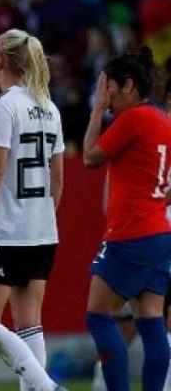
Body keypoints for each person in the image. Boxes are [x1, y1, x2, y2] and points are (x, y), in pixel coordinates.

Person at [0, 29, 67, 391]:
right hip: (42, 230)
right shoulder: (49, 107)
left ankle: (48, 388)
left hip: (6, 230)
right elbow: (58, 177)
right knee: (29, 322)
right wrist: (43, 216)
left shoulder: (4, 105)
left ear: (1, 60)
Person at [83, 46, 171, 391]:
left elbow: (90, 157)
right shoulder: (163, 119)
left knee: (98, 316)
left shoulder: (133, 119)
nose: (108, 98)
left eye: (111, 90)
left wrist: (96, 112)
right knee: (151, 320)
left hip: (131, 232)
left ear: (130, 86)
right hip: (160, 232)